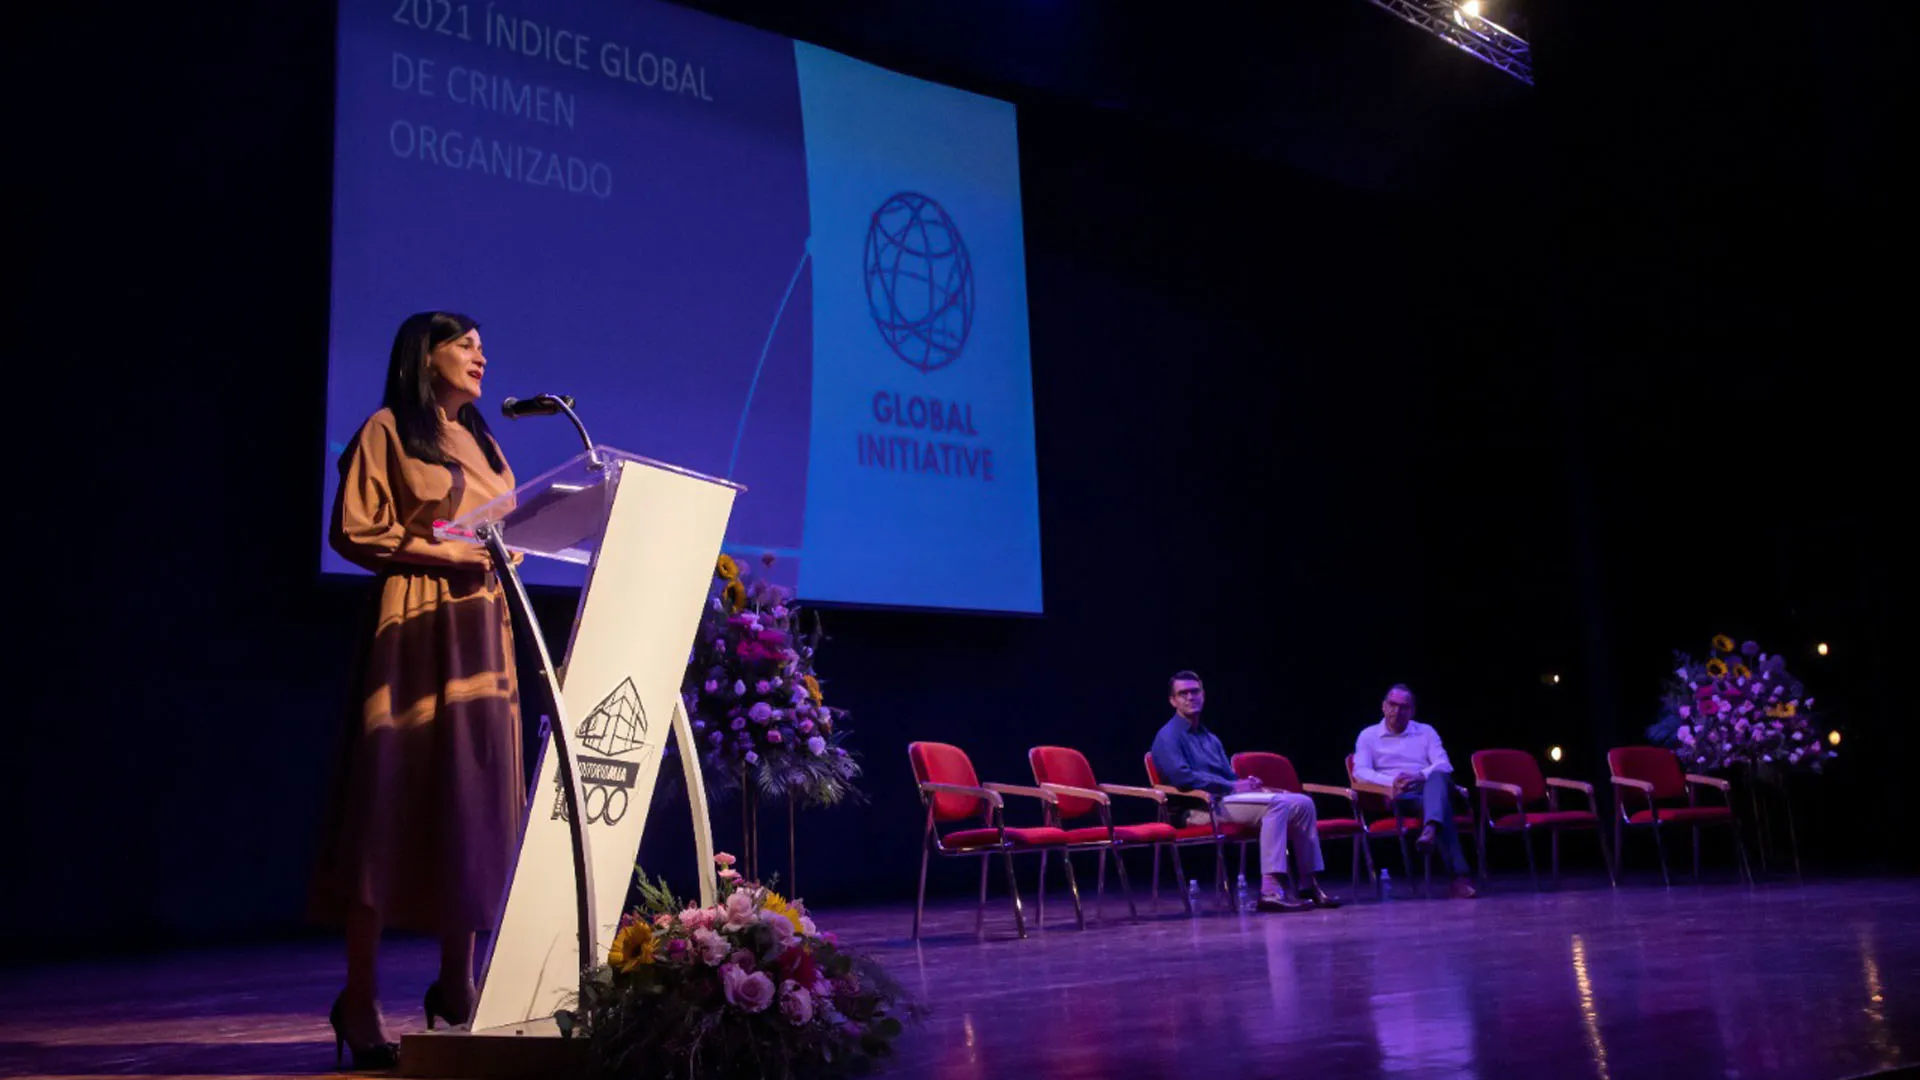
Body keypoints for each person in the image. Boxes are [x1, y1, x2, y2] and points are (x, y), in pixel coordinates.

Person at [307, 312, 522, 1067]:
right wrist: (440, 550)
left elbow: (506, 529)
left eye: (480, 344)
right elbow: (356, 528)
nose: (480, 354)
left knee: (474, 800)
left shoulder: (488, 441)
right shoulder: (387, 429)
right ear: (423, 356)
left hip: (483, 630)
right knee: (391, 797)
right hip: (419, 622)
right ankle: (358, 999)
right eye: (466, 343)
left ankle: (457, 987)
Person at [1150, 671, 1341, 912]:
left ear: (1203, 695)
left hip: (1224, 801)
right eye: (1182, 693)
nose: (1190, 697)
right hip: (1196, 810)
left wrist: (1246, 783)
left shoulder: (1209, 737)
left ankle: (1308, 884)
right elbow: (1181, 776)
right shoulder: (1168, 736)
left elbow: (1228, 776)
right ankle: (1270, 891)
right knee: (1276, 805)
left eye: (1194, 691)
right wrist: (1231, 786)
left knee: (1303, 803)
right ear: (1173, 701)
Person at [1353, 684, 1477, 899]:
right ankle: (1459, 877)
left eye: (1403, 707)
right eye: (1392, 705)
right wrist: (1393, 781)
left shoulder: (1426, 732)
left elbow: (1444, 764)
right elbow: (1360, 772)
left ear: (1412, 711)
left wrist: (1420, 775)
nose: (1397, 711)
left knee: (1437, 778)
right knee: (1441, 807)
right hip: (1400, 796)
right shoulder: (1368, 736)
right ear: (1383, 706)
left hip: (1428, 786)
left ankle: (1430, 830)